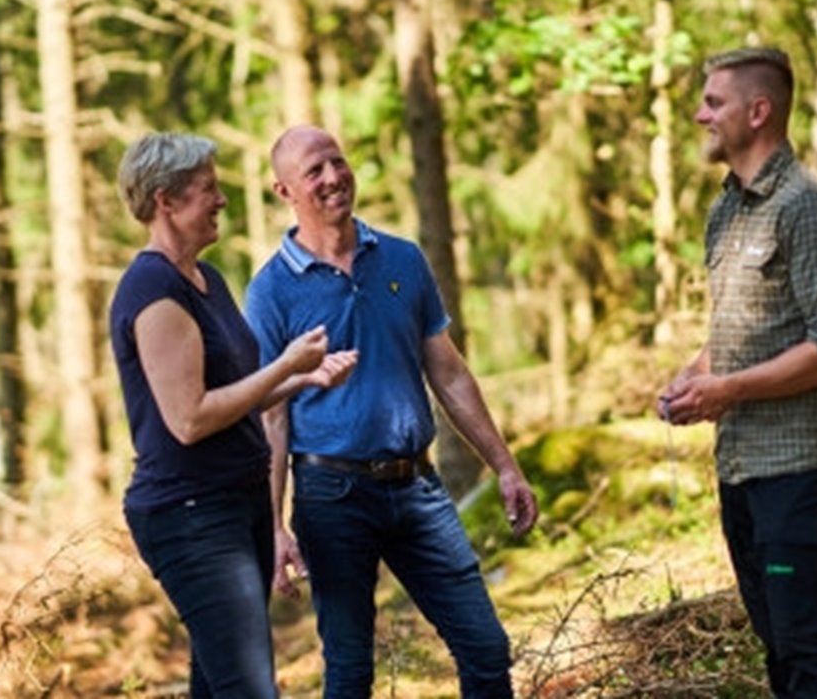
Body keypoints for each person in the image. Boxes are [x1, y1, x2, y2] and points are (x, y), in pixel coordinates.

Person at [243, 124, 539, 698]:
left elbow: (448, 373)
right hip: (331, 497)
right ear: (285, 192)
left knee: (484, 647)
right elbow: (271, 416)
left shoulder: (401, 258)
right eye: (314, 171)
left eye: (338, 161)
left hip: (417, 488)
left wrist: (504, 465)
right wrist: (274, 525)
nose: (333, 178)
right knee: (351, 671)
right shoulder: (271, 291)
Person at [109, 132, 357, 699]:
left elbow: (233, 394)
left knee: (219, 684)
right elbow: (189, 419)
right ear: (166, 201)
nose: (221, 200)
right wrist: (285, 365)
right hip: (189, 514)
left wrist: (300, 379)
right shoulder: (152, 289)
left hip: (233, 502)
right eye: (207, 190)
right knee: (248, 688)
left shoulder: (207, 279)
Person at [656, 48, 817, 698]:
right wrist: (695, 378)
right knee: (777, 640)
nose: (700, 115)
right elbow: (742, 333)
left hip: (801, 463)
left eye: (713, 102)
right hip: (742, 462)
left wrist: (728, 389)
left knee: (806, 639)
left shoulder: (808, 207)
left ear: (759, 110)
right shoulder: (728, 209)